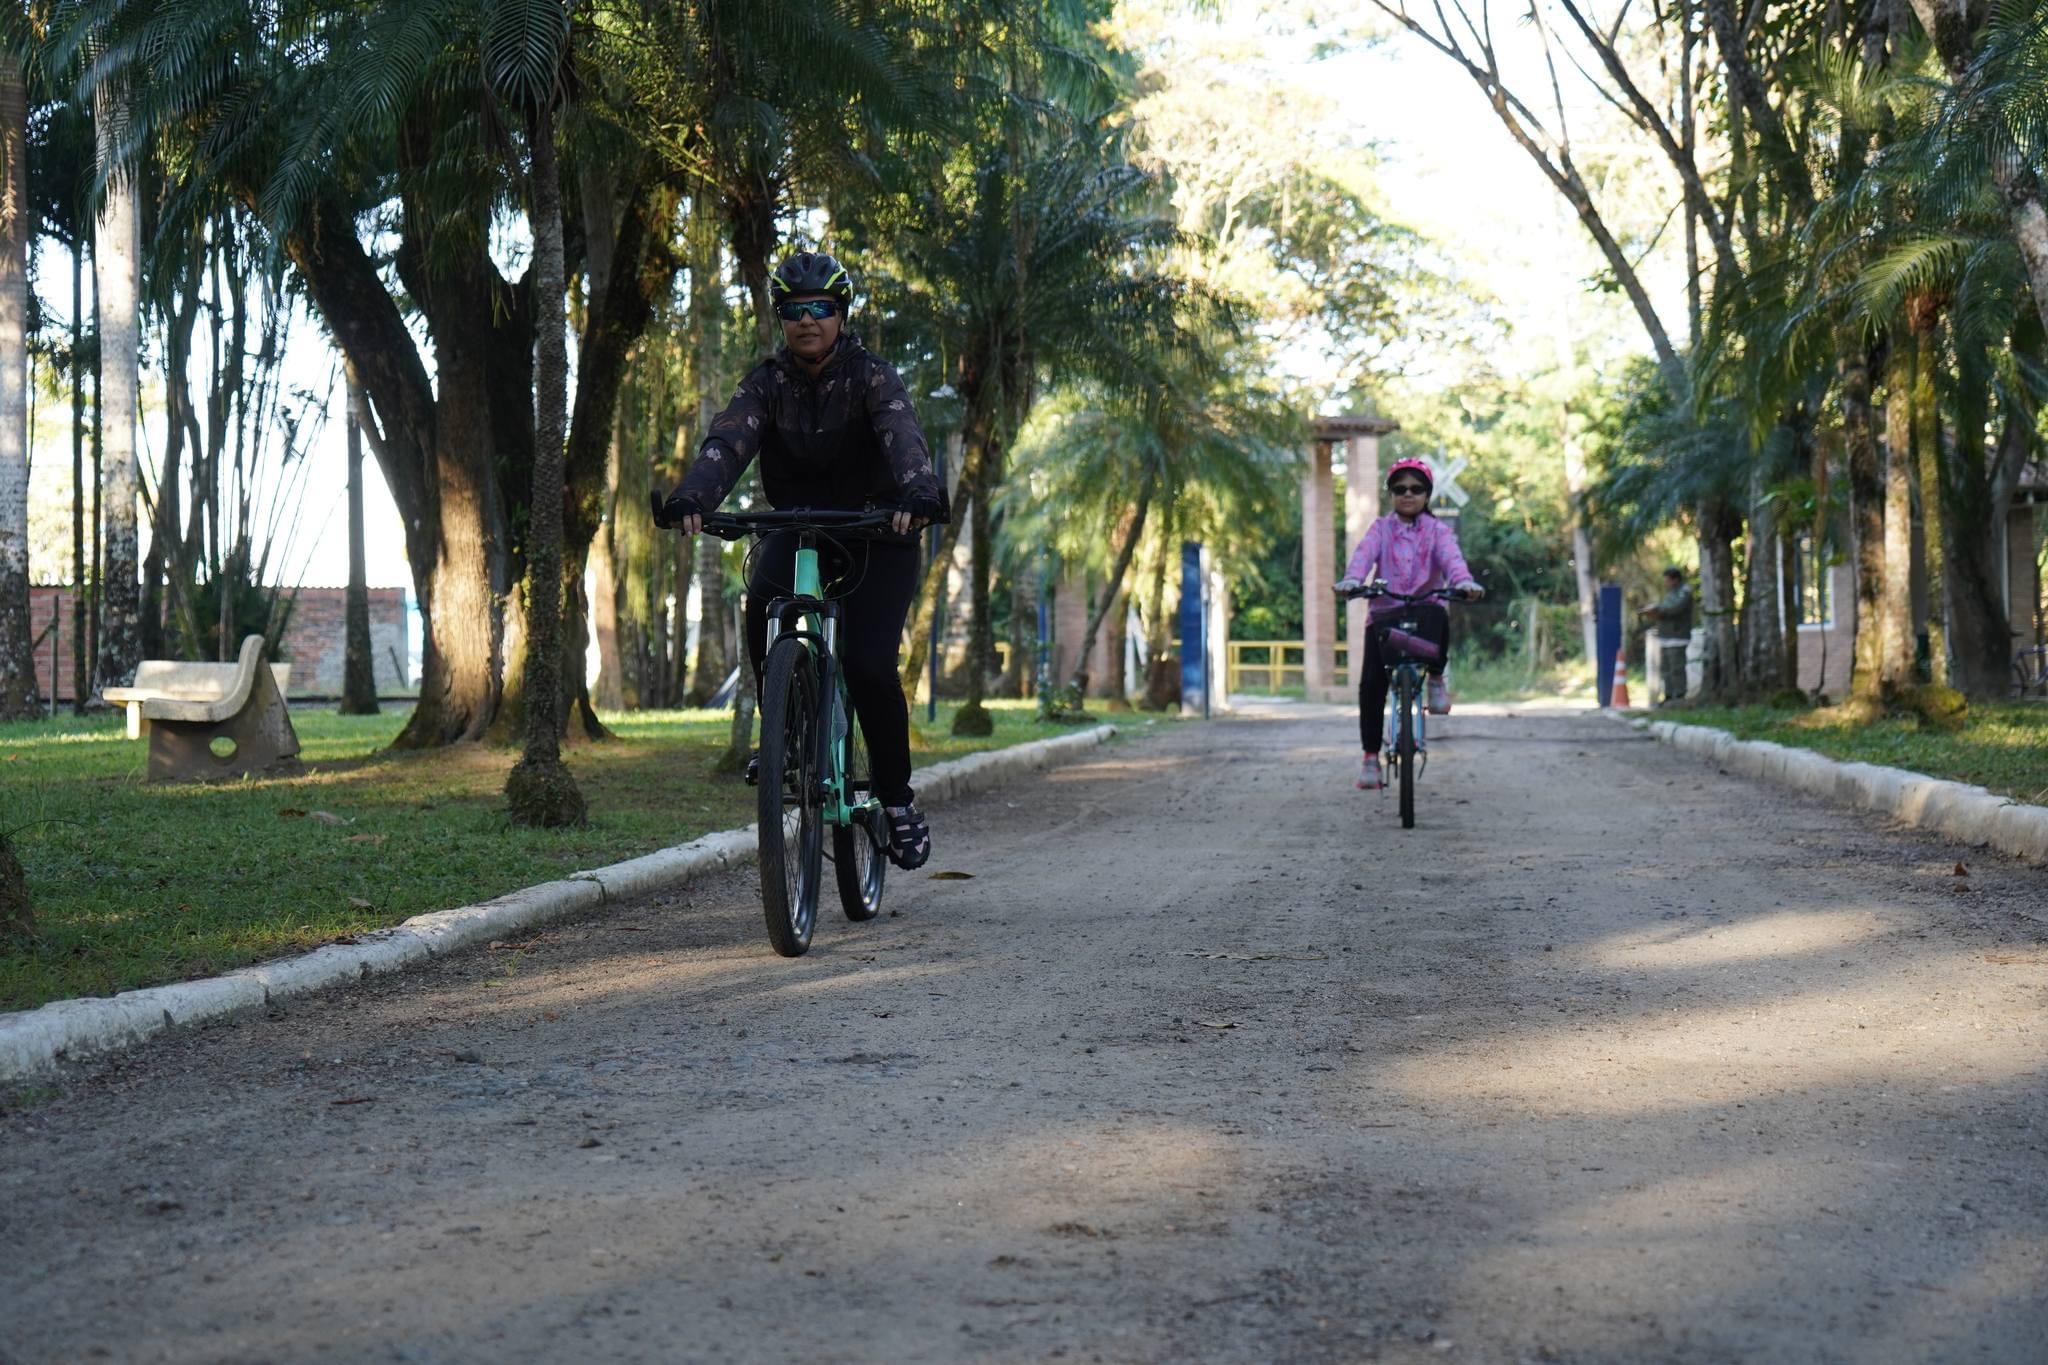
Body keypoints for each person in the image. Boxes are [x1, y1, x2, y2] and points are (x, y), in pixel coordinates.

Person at [661, 250, 946, 870]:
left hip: (879, 530)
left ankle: (896, 800)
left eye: (820, 308)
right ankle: (784, 732)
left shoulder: (873, 377)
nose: (806, 319)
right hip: (800, 527)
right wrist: (694, 496)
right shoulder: (765, 383)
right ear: (781, 318)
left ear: (841, 313)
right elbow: (727, 440)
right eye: (793, 309)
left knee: (869, 664)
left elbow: (904, 438)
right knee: (761, 603)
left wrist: (919, 493)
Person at [1334, 458, 1484, 791]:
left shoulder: (1437, 531)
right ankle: (1370, 758)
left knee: (1440, 612)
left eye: (1416, 489)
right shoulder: (1380, 529)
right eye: (1399, 489)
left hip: (1424, 610)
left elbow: (1452, 561)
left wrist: (1464, 583)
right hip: (1385, 613)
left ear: (1427, 494)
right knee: (1371, 685)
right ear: (1390, 494)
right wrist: (1352, 580)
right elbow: (1362, 557)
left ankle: (1435, 680)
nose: (1408, 495)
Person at [1638, 567, 1694, 704]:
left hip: (1677, 636)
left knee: (1677, 667)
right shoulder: (1671, 593)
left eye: (1668, 580)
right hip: (1666, 636)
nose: (1666, 583)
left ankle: (1679, 696)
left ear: (1675, 580)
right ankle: (1669, 695)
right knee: (1666, 669)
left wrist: (1657, 610)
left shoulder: (1684, 592)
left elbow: (1675, 608)